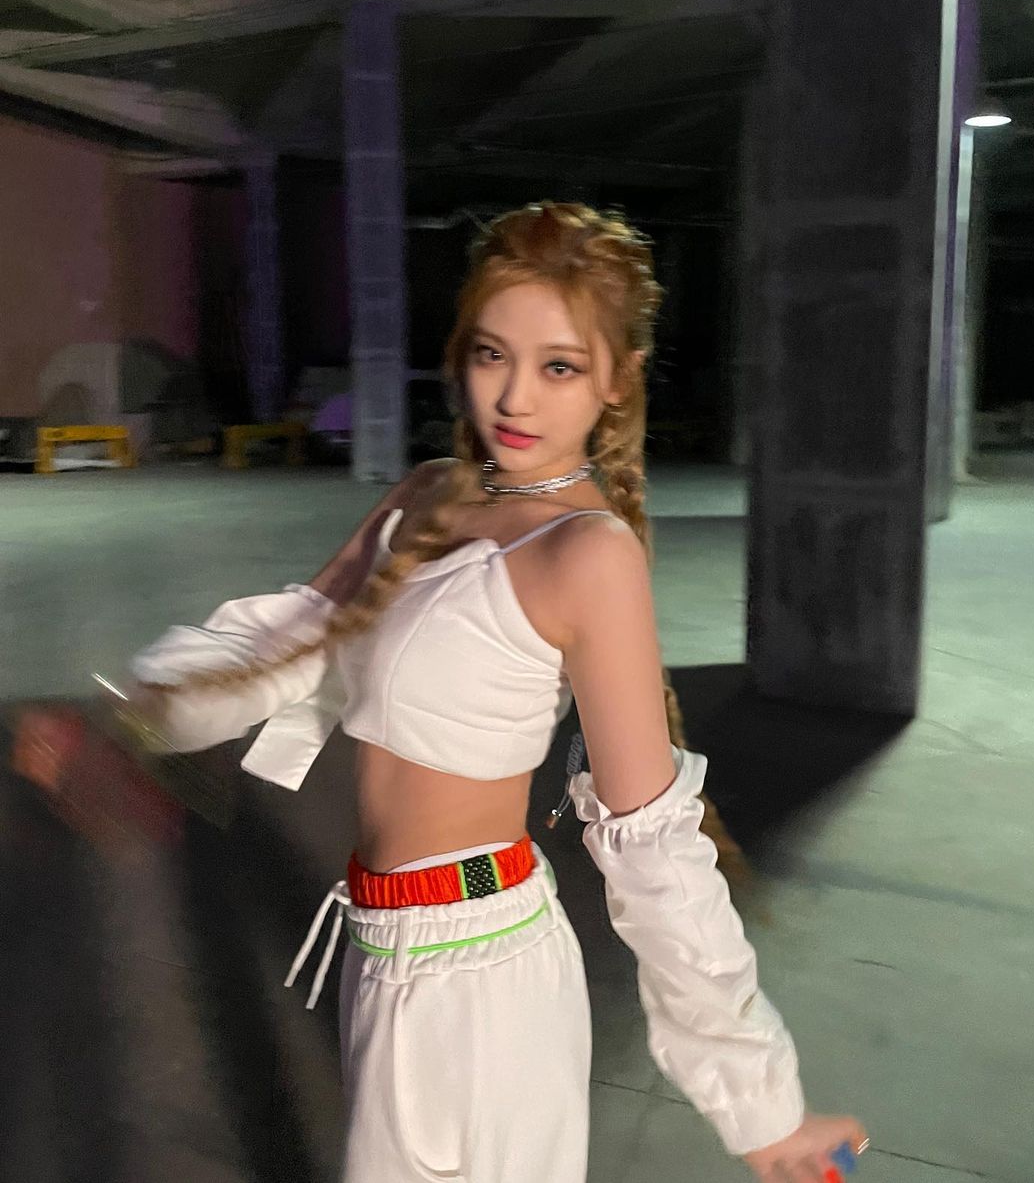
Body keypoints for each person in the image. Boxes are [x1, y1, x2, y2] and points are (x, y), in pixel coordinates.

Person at [103, 203, 869, 1180]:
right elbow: (292, 640)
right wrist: (140, 711)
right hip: (382, 946)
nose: (513, 397)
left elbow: (652, 843)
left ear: (618, 381)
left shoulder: (588, 555)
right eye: (491, 353)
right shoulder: (431, 493)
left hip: (487, 981)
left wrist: (762, 1109)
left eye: (560, 367)